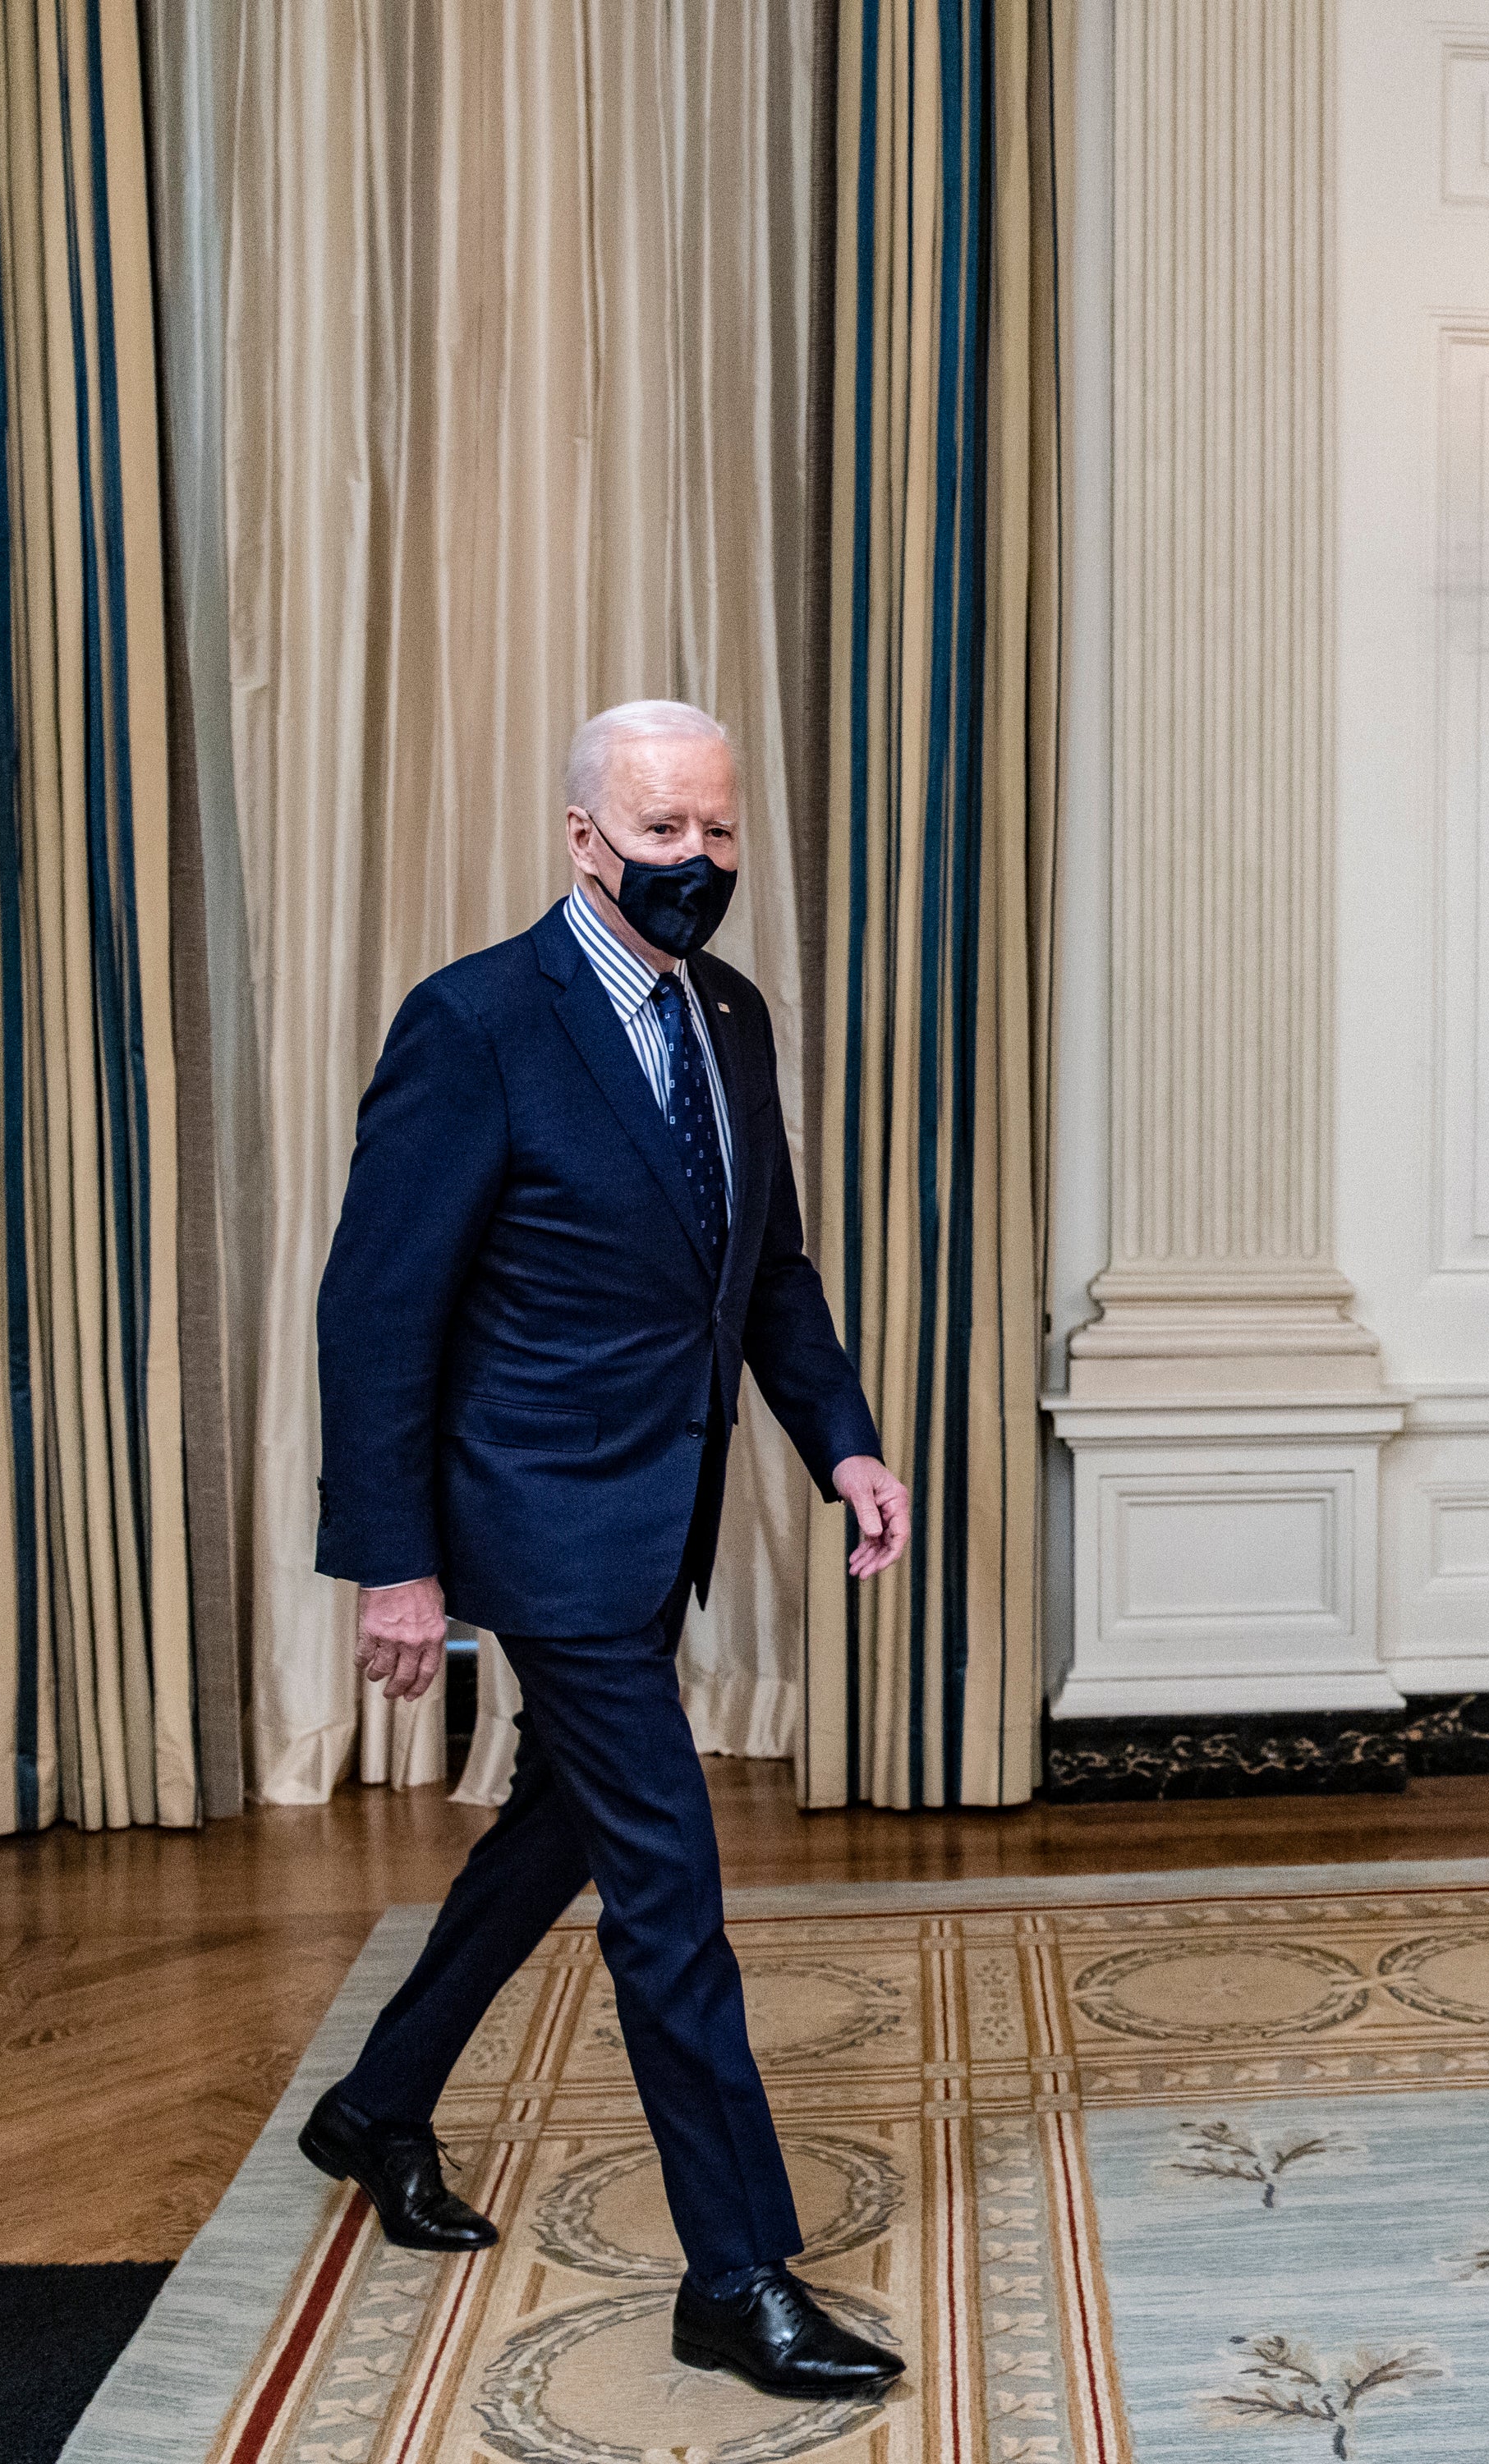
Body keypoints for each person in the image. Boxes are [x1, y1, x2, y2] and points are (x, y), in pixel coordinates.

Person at [304, 700, 914, 2400]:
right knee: (670, 1888)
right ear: (585, 837)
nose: (698, 865)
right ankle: (736, 2273)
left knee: (558, 1830)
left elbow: (764, 1271)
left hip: (668, 1511)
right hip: (538, 1519)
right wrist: (397, 1559)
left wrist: (845, 1442)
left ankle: (374, 2107)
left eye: (720, 834)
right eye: (663, 835)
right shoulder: (479, 1022)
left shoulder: (732, 1013)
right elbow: (378, 1310)